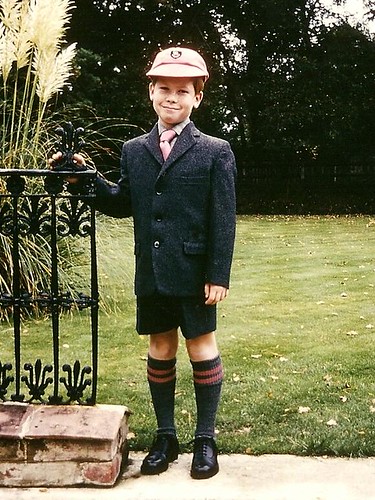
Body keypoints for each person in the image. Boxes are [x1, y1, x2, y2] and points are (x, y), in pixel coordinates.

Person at [51, 46, 236, 480]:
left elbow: (223, 220)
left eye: (182, 91)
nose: (172, 98)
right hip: (151, 272)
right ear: (151, 92)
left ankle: (205, 439)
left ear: (197, 97)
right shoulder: (134, 149)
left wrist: (218, 274)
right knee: (160, 347)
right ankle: (166, 435)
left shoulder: (215, 150)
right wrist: (86, 181)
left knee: (201, 347)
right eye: (164, 89)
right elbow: (121, 202)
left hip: (194, 275)